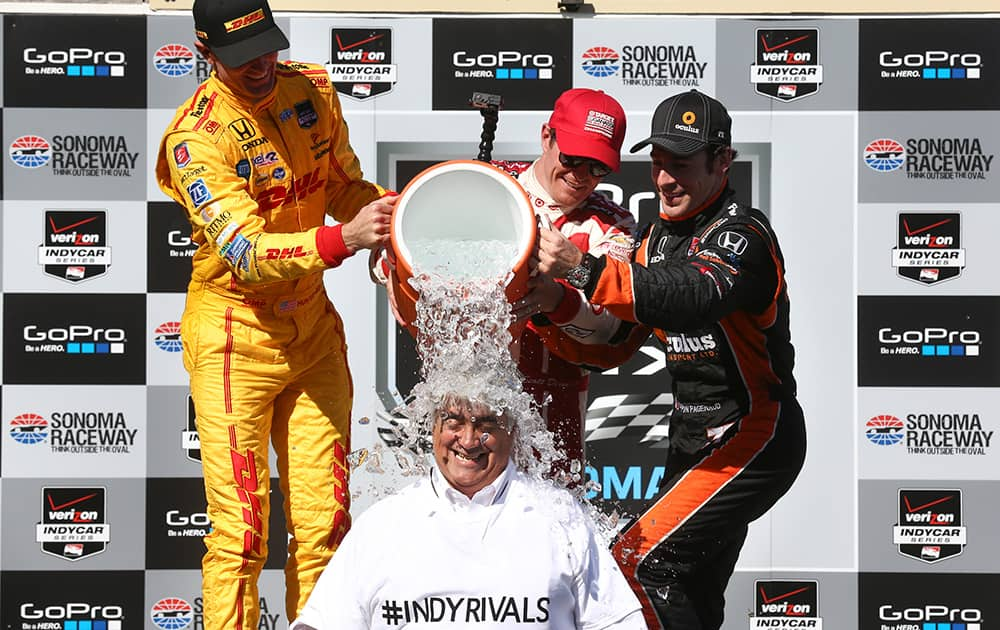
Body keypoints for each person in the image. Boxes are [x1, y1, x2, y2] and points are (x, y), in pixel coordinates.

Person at [154, 0, 396, 627]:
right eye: (240, 57)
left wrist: (395, 220)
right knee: (241, 533)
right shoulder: (195, 139)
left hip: (313, 332)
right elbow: (246, 253)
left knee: (326, 524)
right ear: (206, 55)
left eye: (266, 46)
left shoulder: (311, 89)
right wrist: (345, 239)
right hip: (235, 338)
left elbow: (344, 186)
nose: (260, 64)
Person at [537, 89, 807, 630]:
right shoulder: (654, 236)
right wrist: (551, 310)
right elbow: (616, 344)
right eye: (658, 165)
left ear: (723, 161)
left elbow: (692, 294)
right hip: (690, 437)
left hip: (755, 433)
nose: (663, 180)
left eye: (680, 165)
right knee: (691, 589)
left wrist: (582, 268)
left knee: (639, 560)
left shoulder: (744, 234)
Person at [377, 88, 646, 474]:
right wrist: (387, 268)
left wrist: (556, 298)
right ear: (546, 137)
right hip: (465, 404)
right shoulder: (491, 179)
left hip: (555, 407)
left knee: (551, 519)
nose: (580, 176)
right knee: (456, 516)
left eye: (597, 167)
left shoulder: (615, 225)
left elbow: (609, 329)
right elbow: (407, 237)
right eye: (571, 159)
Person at [290, 393, 648, 629]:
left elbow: (617, 623)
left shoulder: (558, 516)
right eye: (454, 422)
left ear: (512, 431)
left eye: (486, 425)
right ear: (432, 428)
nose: (468, 440)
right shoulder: (383, 525)